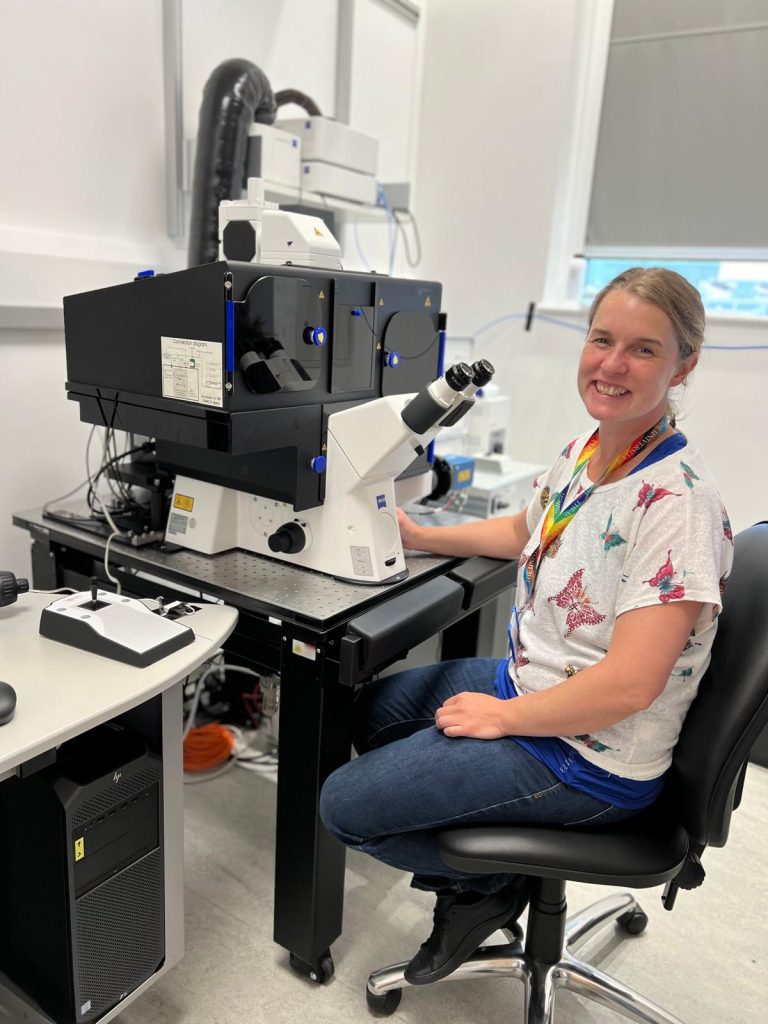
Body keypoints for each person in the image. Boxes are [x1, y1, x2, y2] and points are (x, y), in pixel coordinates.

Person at [319, 267, 733, 987]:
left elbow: (632, 683)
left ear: (683, 365)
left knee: (345, 808)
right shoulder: (591, 450)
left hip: (591, 754)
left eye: (642, 349)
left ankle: (491, 886)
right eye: (602, 339)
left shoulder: (677, 503)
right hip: (537, 680)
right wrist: (420, 536)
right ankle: (482, 879)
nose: (611, 364)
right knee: (371, 712)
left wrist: (505, 718)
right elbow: (528, 527)